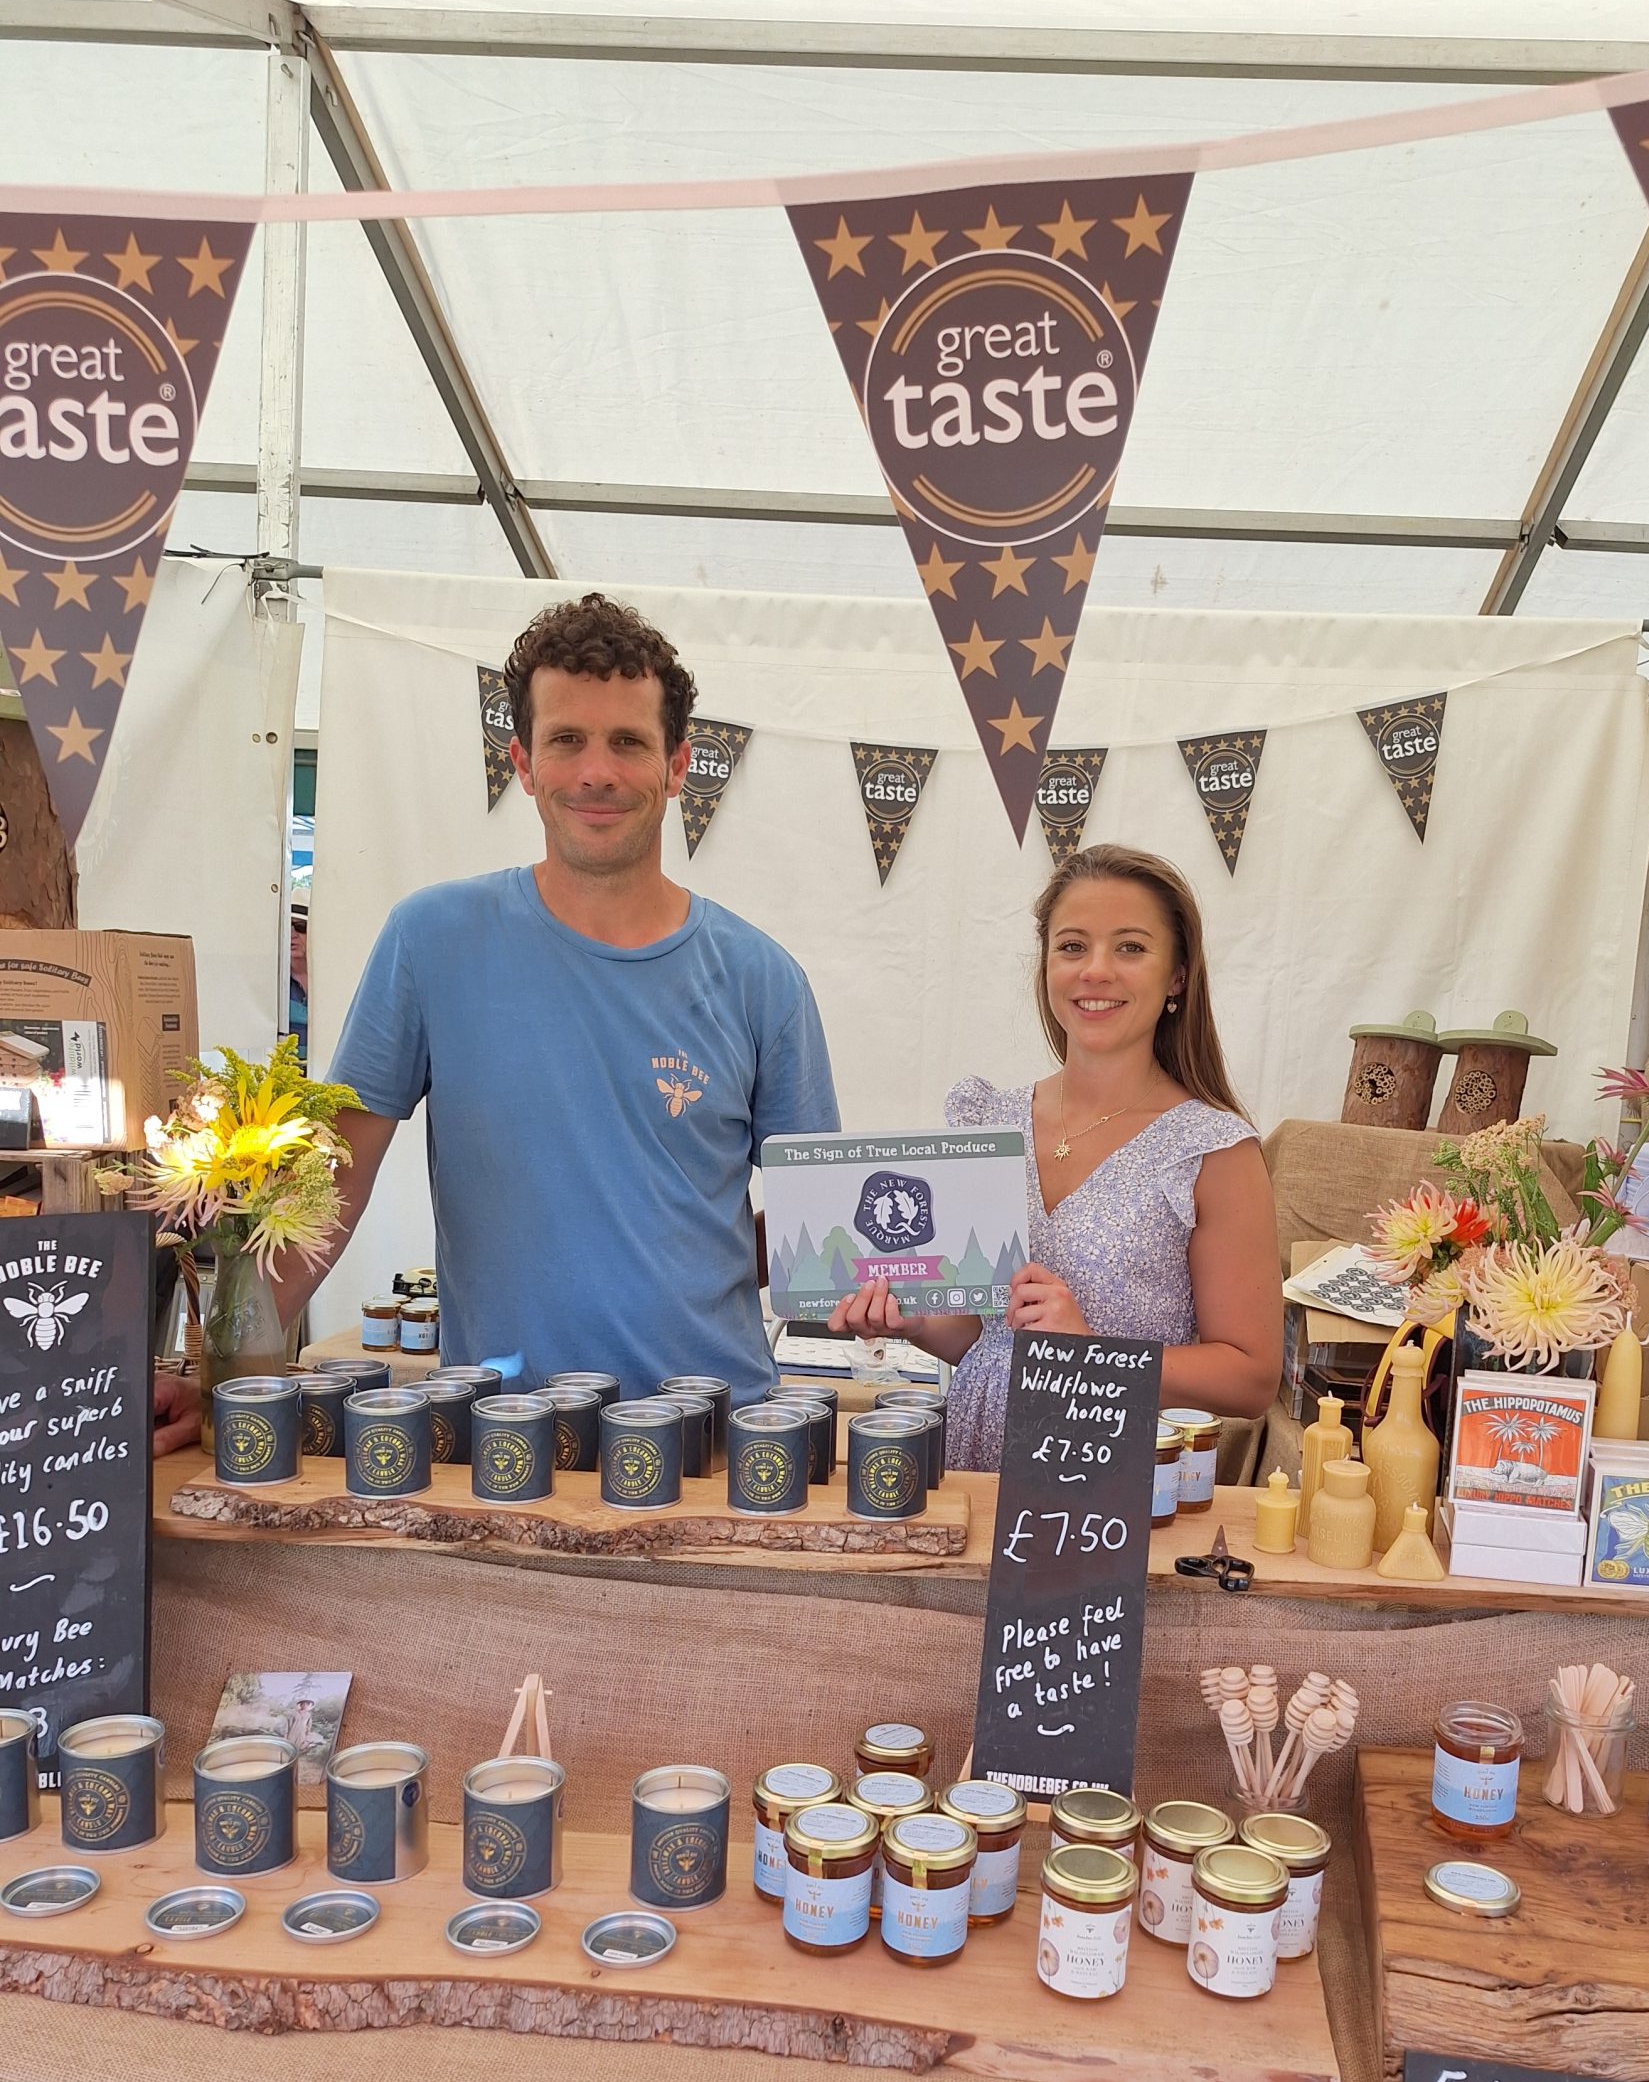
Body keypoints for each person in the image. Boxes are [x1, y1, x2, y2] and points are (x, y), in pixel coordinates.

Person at [271, 593, 838, 1406]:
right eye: (566, 739)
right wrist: (226, 1356)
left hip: (718, 1440)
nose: (596, 771)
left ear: (678, 767)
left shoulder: (762, 979)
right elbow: (328, 1189)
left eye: (628, 743)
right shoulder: (431, 941)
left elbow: (813, 1235)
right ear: (524, 763)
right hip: (512, 1441)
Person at [831, 844, 1282, 1469]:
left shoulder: (1211, 1152)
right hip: (975, 1465)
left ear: (1178, 974)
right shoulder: (987, 1122)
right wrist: (912, 1319)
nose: (1095, 970)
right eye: (1073, 946)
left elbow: (1252, 1378)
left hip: (1109, 1490)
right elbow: (981, 1338)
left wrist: (1092, 1351)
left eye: (1130, 947)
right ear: (1045, 964)